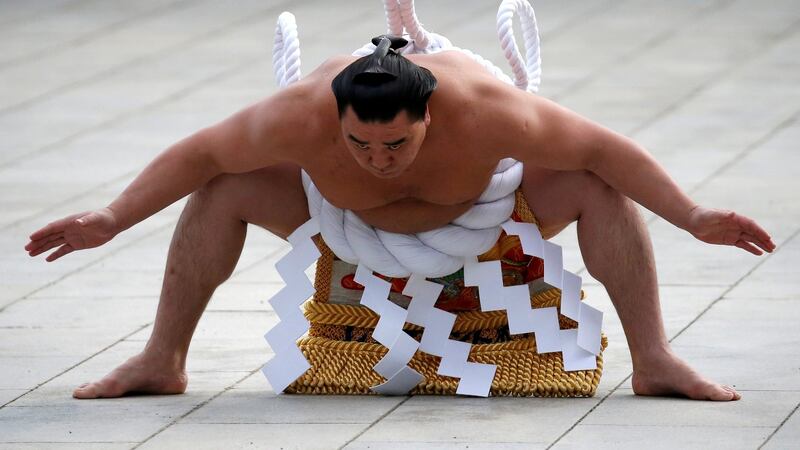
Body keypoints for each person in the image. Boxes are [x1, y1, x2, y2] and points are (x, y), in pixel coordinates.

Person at [25, 36, 774, 401]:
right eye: (360, 142)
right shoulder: (295, 118)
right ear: (336, 118)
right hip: (340, 224)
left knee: (592, 184)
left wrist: (694, 214)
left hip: (490, 221)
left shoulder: (486, 112)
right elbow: (197, 156)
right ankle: (163, 358)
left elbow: (610, 150)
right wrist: (111, 218)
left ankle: (655, 361)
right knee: (221, 191)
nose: (379, 157)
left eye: (397, 142)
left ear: (430, 115)